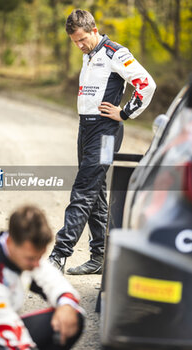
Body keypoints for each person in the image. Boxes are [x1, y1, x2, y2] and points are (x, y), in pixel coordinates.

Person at [49, 9, 156, 275]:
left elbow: (147, 84)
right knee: (95, 192)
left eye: (83, 39)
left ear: (94, 30)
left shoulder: (115, 53)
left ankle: (58, 256)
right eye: (75, 42)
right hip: (85, 129)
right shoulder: (88, 54)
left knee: (83, 190)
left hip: (106, 132)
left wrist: (126, 112)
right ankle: (99, 257)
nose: (79, 45)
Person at [0, 205, 84, 350]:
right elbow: (16, 341)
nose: (37, 264)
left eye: (39, 257)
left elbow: (54, 282)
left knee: (72, 316)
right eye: (31, 259)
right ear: (11, 243)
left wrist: (66, 306)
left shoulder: (20, 251)